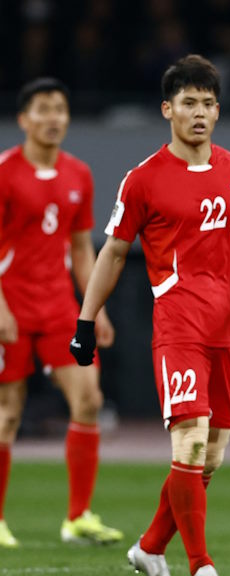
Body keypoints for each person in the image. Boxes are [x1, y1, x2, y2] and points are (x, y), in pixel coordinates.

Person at [69, 54, 230, 576]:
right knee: (189, 446)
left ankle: (149, 547)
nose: (199, 112)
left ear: (218, 111)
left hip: (229, 331)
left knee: (209, 458)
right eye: (188, 103)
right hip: (178, 327)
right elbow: (115, 253)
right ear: (167, 108)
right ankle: (200, 563)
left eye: (208, 103)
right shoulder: (143, 179)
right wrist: (86, 316)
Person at [0, 77, 122, 548]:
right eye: (43, 109)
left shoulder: (79, 174)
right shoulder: (6, 172)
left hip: (58, 306)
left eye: (60, 109)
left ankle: (78, 517)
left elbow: (79, 248)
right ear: (23, 119)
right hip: (11, 302)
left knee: (88, 399)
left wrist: (96, 310)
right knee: (7, 413)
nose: (54, 118)